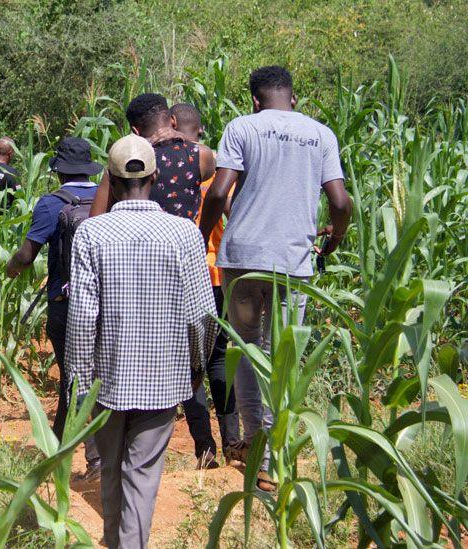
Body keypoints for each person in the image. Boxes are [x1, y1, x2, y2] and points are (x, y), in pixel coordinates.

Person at [199, 66, 353, 491]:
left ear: (254, 100)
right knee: (281, 356)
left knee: (246, 349)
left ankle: (258, 446)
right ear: (294, 98)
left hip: (243, 258)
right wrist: (333, 240)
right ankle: (275, 457)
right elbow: (340, 201)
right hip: (294, 263)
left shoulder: (242, 127)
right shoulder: (320, 135)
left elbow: (217, 191)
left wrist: (200, 236)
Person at [67, 134, 216, 548]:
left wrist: (79, 384)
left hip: (107, 380)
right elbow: (203, 318)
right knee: (142, 476)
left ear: (111, 182)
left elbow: (82, 317)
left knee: (112, 471)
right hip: (164, 381)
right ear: (155, 177)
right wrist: (195, 370)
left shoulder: (91, 234)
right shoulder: (184, 234)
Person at [6, 136, 101, 476]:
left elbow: (27, 255)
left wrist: (12, 267)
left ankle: (94, 457)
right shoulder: (111, 195)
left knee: (75, 380)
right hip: (109, 300)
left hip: (68, 303)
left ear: (59, 172)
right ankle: (57, 446)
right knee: (96, 378)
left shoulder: (51, 203)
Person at [163, 101, 240, 469]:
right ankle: (234, 439)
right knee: (221, 359)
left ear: (173, 124)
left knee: (187, 361)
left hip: (185, 281)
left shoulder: (167, 172)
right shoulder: (223, 176)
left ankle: (204, 449)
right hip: (220, 278)